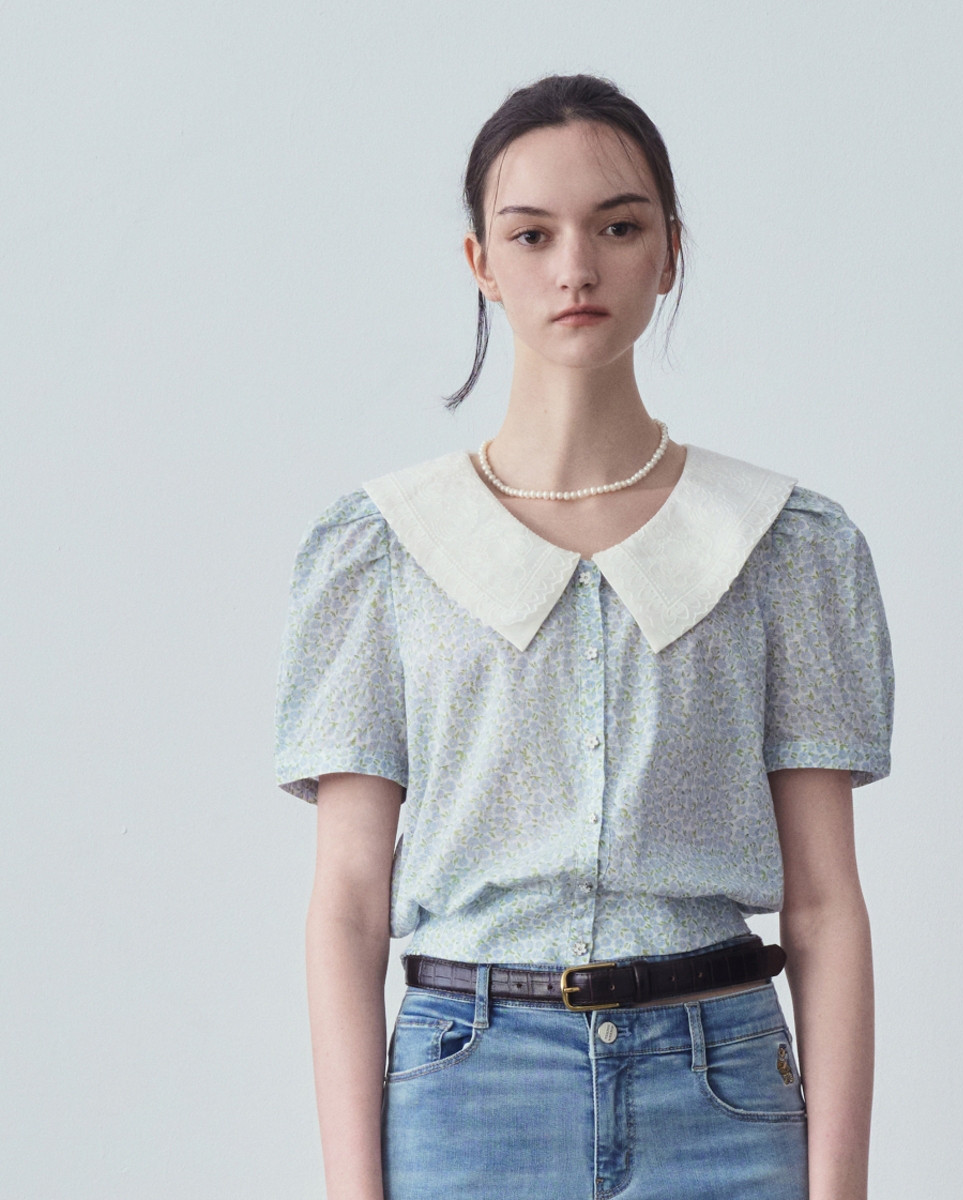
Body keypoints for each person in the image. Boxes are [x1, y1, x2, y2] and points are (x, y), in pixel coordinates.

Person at [275, 73, 894, 1200]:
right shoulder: (384, 549)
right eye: (532, 234)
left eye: (618, 226)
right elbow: (349, 904)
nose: (576, 267)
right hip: (468, 1090)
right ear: (481, 262)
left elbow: (824, 902)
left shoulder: (781, 543)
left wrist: (840, 1187)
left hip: (721, 1086)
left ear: (670, 252)